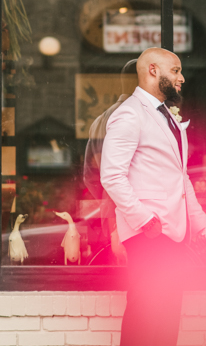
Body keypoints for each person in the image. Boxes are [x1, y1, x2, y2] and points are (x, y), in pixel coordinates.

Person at [100, 47, 206, 346]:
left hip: (174, 234)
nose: (182, 78)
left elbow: (181, 176)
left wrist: (200, 224)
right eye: (175, 70)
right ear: (152, 70)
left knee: (167, 316)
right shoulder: (129, 114)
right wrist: (145, 220)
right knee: (146, 314)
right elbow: (111, 175)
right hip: (150, 233)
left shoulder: (168, 117)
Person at [82, 59, 137, 264]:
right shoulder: (133, 116)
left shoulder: (100, 120)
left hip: (111, 209)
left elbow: (90, 175)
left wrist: (106, 200)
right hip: (132, 215)